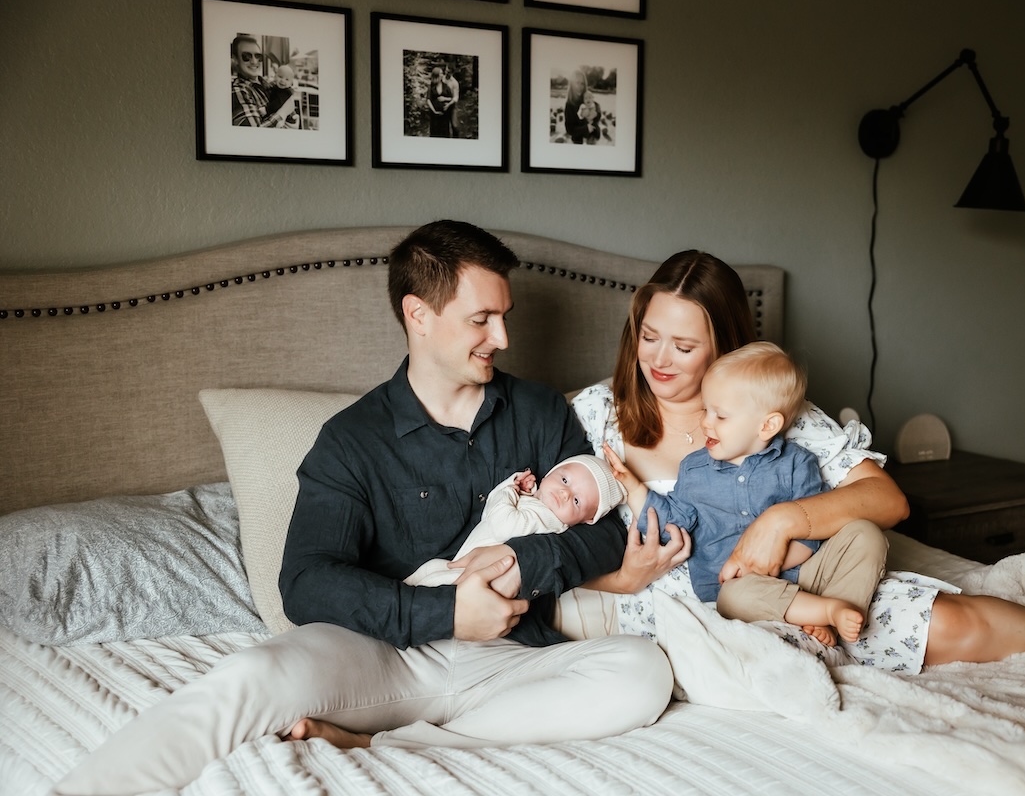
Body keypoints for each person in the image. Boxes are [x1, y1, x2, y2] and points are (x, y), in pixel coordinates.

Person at [54, 221, 672, 795]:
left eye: (504, 317)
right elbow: (305, 582)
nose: (503, 339)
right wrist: (447, 610)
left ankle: (386, 744)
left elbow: (606, 537)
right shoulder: (351, 441)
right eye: (482, 319)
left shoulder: (539, 413)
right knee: (252, 677)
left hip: (514, 660)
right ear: (419, 315)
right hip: (387, 658)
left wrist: (521, 562)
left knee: (643, 672)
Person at [561, 249, 1025, 675]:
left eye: (685, 346)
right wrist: (621, 578)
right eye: (649, 336)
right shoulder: (591, 415)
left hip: (808, 585)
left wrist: (783, 520)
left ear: (727, 348)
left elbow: (887, 501)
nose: (659, 361)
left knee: (958, 624)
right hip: (682, 609)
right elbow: (526, 538)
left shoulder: (779, 412)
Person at [605, 341, 868, 646]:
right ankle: (820, 612)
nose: (705, 422)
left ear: (768, 425)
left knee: (865, 532)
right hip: (733, 591)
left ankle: (830, 609)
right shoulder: (694, 470)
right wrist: (634, 487)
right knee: (737, 595)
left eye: (721, 416)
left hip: (803, 574)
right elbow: (673, 521)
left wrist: (774, 562)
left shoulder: (797, 462)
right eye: (706, 410)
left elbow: (813, 529)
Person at [406, 454, 626, 587]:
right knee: (430, 569)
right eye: (565, 479)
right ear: (551, 472)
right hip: (462, 562)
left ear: (587, 520)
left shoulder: (549, 521)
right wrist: (512, 486)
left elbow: (503, 526)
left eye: (577, 501)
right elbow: (490, 510)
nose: (565, 493)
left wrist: (511, 492)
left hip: (477, 578)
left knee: (434, 584)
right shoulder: (533, 502)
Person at [230, 35, 289, 128]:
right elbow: (253, 135)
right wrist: (285, 111)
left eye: (258, 56)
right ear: (236, 59)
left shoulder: (266, 84)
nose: (254, 61)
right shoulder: (239, 90)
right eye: (246, 56)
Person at [563, 69, 596, 145]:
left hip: (590, 139)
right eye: (577, 83)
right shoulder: (569, 104)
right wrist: (586, 128)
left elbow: (595, 113)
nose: (580, 86)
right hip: (577, 141)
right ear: (572, 84)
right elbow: (569, 129)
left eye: (582, 83)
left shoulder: (586, 99)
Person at [426, 66, 454, 138]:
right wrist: (434, 111)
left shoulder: (446, 86)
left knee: (444, 133)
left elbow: (451, 98)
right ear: (436, 75)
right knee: (435, 133)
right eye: (441, 73)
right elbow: (428, 100)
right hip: (434, 115)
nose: (443, 75)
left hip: (444, 115)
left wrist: (445, 99)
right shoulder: (431, 86)